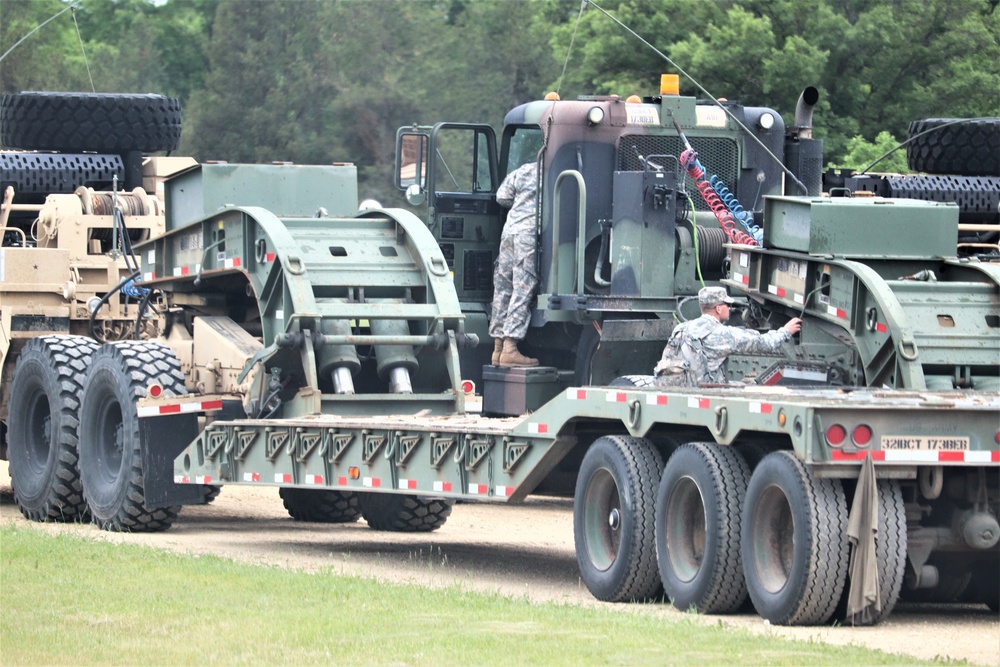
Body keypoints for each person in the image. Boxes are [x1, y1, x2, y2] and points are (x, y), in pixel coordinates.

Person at [654, 286, 802, 387]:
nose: (730, 308)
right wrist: (786, 331)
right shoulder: (722, 334)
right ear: (718, 308)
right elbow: (762, 343)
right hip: (702, 392)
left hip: (672, 388)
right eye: (727, 305)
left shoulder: (681, 328)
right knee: (750, 387)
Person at [490, 160, 540, 367]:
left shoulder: (525, 169)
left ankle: (498, 349)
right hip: (527, 235)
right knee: (522, 288)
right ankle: (510, 348)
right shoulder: (554, 170)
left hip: (509, 232)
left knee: (503, 289)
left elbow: (501, 197)